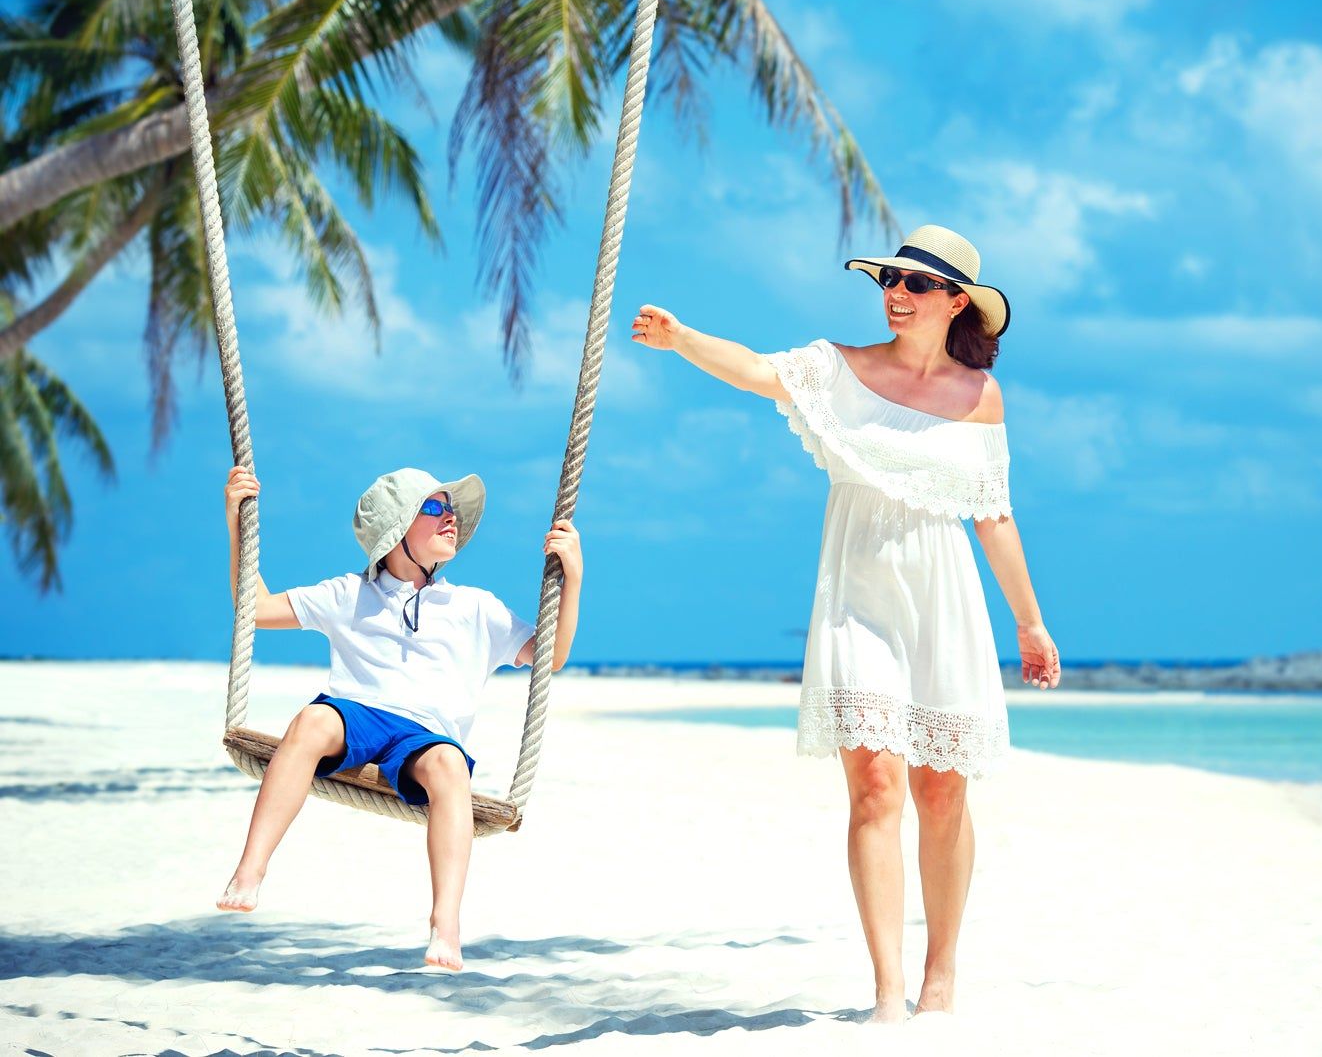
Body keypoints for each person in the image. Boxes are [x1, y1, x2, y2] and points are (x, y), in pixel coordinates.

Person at [631, 224, 1062, 1021]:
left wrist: (1031, 627)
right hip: (857, 599)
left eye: (914, 284)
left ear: (955, 301)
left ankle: (941, 973)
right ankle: (885, 993)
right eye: (887, 282)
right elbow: (760, 372)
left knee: (942, 795)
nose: (895, 295)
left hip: (945, 604)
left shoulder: (980, 397)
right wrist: (683, 338)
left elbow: (994, 517)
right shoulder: (840, 367)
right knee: (873, 789)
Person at [213, 465, 583, 972]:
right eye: (434, 508)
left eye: (450, 507)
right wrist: (237, 521)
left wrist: (573, 576)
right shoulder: (350, 594)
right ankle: (250, 870)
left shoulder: (476, 607)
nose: (450, 516)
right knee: (310, 723)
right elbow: (254, 609)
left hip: (427, 736)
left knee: (450, 768)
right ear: (395, 532)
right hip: (356, 714)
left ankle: (445, 923)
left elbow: (550, 656)